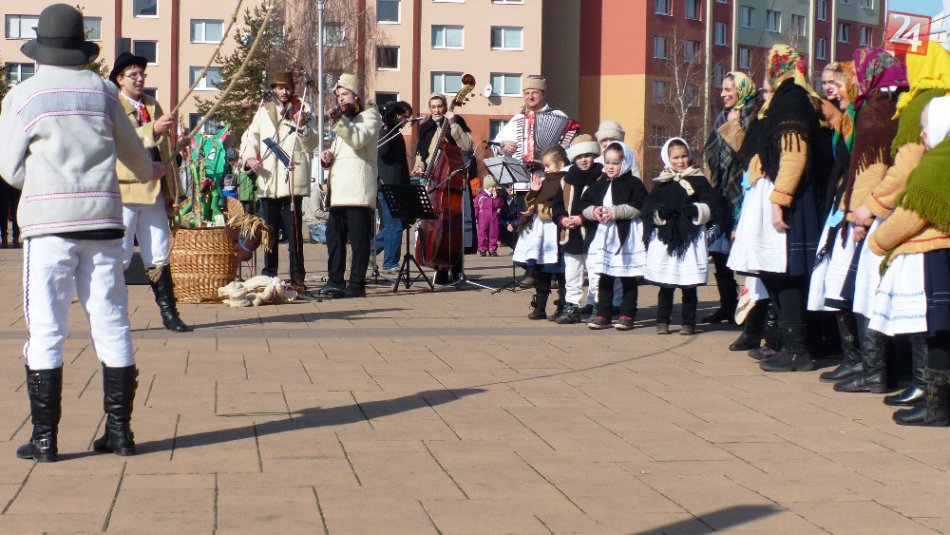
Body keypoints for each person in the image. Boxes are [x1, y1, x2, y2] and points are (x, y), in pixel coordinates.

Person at [0, 4, 166, 462]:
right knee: (112, 321)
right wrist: (152, 168)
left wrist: (43, 183)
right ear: (81, 49)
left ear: (40, 48)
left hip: (49, 226)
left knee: (47, 328)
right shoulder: (104, 91)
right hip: (104, 221)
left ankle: (45, 439)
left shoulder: (24, 94)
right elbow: (134, 155)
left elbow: (8, 168)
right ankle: (120, 433)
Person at [850, 45, 950, 407]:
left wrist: (874, 219)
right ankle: (924, 389)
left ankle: (928, 394)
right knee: (929, 318)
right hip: (919, 230)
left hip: (922, 235)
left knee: (927, 317)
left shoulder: (924, 106)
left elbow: (907, 174)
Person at [727, 45, 829, 372]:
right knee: (771, 273)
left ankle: (798, 350)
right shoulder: (778, 101)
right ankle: (788, 344)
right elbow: (756, 152)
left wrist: (779, 201)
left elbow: (794, 155)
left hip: (787, 198)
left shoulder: (792, 100)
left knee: (785, 274)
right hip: (770, 193)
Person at [817, 49, 908, 393]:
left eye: (859, 72)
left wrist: (860, 214)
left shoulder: (874, 110)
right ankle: (874, 367)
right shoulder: (886, 105)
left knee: (867, 289)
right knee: (865, 289)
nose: (853, 79)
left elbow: (873, 167)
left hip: (873, 213)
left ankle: (875, 371)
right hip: (879, 209)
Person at [869, 96, 950, 426]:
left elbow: (912, 213)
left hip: (936, 255)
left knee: (938, 332)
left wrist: (878, 241)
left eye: (926, 126)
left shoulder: (938, 162)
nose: (922, 134)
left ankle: (937, 407)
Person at [109, 51, 190, 333]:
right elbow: (121, 142)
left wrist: (171, 188)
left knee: (158, 252)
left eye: (142, 74)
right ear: (119, 79)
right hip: (126, 191)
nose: (139, 79)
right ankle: (114, 315)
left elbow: (163, 149)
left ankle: (170, 313)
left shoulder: (152, 104)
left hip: (154, 190)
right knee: (120, 254)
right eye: (133, 75)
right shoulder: (114, 106)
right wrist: (152, 129)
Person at [241, 70, 318, 290]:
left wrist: (302, 126)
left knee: (294, 233)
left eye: (288, 88)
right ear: (273, 89)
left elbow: (312, 143)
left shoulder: (303, 108)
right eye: (280, 88)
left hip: (292, 178)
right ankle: (270, 274)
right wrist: (249, 158)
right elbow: (250, 137)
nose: (284, 92)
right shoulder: (263, 110)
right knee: (269, 233)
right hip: (269, 180)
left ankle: (297, 277)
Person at [702, 72, 760, 326]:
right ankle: (727, 305)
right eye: (723, 89)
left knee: (745, 255)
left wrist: (734, 125)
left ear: (742, 90)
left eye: (729, 89)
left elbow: (745, 151)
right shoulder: (723, 115)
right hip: (721, 194)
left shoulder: (751, 114)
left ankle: (751, 312)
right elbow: (710, 151)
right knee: (720, 254)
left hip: (742, 193)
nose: (724, 94)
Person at [644, 138, 716, 336]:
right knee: (666, 285)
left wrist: (697, 210)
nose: (681, 161)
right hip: (667, 239)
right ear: (668, 159)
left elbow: (712, 204)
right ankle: (662, 321)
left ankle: (688, 323)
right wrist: (660, 214)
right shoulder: (662, 181)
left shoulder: (699, 180)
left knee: (689, 286)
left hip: (691, 238)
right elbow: (649, 207)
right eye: (676, 157)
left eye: (684, 156)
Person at [319, 73, 382, 298]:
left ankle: (356, 284)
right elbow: (342, 150)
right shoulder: (345, 120)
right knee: (334, 239)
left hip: (357, 191)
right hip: (339, 193)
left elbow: (357, 140)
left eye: (345, 94)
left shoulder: (370, 116)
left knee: (358, 241)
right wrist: (327, 157)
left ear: (356, 95)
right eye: (338, 96)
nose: (341, 99)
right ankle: (335, 281)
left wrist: (339, 121)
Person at [580, 142, 648, 331]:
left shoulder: (634, 183)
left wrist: (616, 212)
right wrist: (594, 211)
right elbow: (584, 203)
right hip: (604, 236)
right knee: (605, 275)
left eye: (616, 163)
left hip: (626, 236)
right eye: (608, 162)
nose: (610, 167)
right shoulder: (600, 184)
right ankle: (603, 313)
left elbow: (640, 205)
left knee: (628, 276)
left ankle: (627, 314)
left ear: (625, 163)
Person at [412, 93, 474, 284]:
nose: (437, 110)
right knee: (435, 226)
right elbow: (421, 154)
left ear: (446, 106)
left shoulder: (457, 122)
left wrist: (453, 124)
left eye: (440, 106)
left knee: (454, 227)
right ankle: (439, 267)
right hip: (432, 181)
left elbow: (467, 145)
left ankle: (457, 270)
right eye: (433, 107)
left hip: (452, 181)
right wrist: (419, 166)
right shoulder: (426, 128)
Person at [513, 146, 570, 320]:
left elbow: (560, 207)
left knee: (561, 272)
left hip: (557, 232)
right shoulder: (546, 182)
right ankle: (540, 307)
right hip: (541, 234)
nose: (545, 170)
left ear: (561, 164)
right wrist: (534, 191)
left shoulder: (565, 181)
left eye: (548, 165)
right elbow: (532, 203)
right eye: (544, 166)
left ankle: (563, 306)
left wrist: (537, 208)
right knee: (541, 271)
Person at [552, 135, 602, 324]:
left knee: (595, 273)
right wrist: (562, 219)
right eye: (579, 156)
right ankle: (572, 306)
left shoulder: (601, 178)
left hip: (593, 234)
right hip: (570, 235)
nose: (583, 160)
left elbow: (601, 204)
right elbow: (557, 205)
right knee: (572, 273)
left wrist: (582, 218)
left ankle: (596, 305)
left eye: (587, 155)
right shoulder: (566, 180)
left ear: (594, 155)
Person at [375, 100, 412, 272]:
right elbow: (382, 152)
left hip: (399, 187)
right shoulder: (385, 132)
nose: (407, 120)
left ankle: (367, 251)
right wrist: (389, 127)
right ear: (396, 116)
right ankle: (390, 262)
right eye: (405, 116)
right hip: (387, 186)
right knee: (394, 225)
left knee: (400, 224)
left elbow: (401, 165)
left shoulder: (397, 134)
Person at [474, 176, 504, 257]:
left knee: (493, 233)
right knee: (482, 234)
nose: (494, 189)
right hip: (483, 218)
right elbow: (476, 207)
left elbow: (500, 205)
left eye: (495, 187)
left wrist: (495, 197)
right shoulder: (481, 196)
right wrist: (476, 216)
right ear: (487, 187)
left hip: (493, 217)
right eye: (492, 187)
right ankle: (482, 249)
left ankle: (492, 249)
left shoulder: (497, 196)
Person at [0, 180, 20, 248]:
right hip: (13, 183)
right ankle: (13, 239)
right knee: (11, 212)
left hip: (8, 183)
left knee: (5, 213)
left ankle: (10, 239)